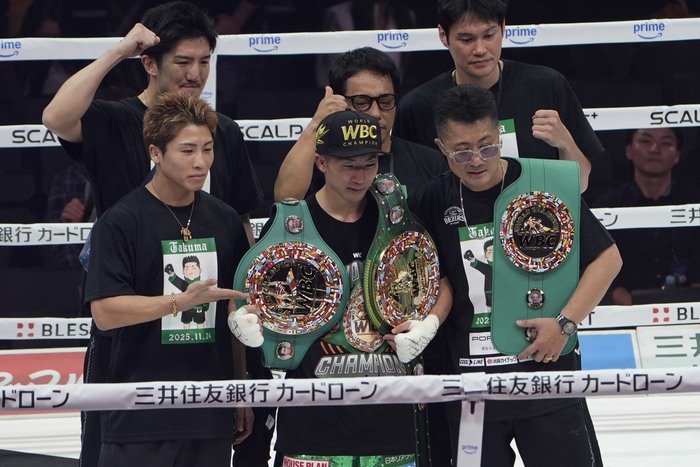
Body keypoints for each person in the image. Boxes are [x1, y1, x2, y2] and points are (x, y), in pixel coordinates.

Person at [40, 2, 270, 465]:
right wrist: (119, 50)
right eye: (183, 61)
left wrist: (242, 363)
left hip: (207, 339)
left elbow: (241, 226)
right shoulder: (115, 120)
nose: (195, 73)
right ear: (150, 64)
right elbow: (56, 117)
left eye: (204, 61)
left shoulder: (221, 131)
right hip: (129, 333)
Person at [408, 84, 622, 465]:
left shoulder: (544, 183)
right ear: (441, 147)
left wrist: (565, 324)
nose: (477, 160)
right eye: (462, 152)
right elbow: (430, 280)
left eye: (487, 147)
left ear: (500, 135)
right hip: (471, 390)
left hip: (546, 379)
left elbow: (608, 259)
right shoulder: (430, 200)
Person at [232, 109, 452, 466]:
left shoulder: (398, 217)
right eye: (349, 166)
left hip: (394, 426)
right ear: (321, 162)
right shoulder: (291, 225)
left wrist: (430, 323)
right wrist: (242, 320)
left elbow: (439, 281)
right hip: (312, 429)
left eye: (369, 164)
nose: (360, 176)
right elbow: (247, 294)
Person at [84, 91, 253, 466]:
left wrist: (239, 389)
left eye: (207, 149)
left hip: (208, 410)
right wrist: (180, 301)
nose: (201, 162)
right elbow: (106, 313)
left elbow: (234, 311)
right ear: (155, 153)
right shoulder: (120, 221)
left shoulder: (226, 219)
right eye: (187, 150)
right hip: (137, 413)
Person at [394, 0, 601, 191]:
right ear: (443, 35)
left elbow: (580, 185)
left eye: (489, 35)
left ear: (503, 28)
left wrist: (565, 143)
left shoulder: (546, 85)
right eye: (467, 39)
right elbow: (406, 191)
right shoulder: (418, 106)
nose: (480, 49)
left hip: (536, 217)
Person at [274, 46, 448, 202]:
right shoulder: (323, 162)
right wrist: (317, 125)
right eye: (362, 102)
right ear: (340, 102)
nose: (376, 113)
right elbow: (286, 201)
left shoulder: (431, 162)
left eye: (386, 102)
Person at [594, 128, 700, 305]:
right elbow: (594, 265)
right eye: (645, 141)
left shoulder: (695, 202)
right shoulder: (607, 206)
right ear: (629, 150)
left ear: (677, 155)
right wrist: (620, 296)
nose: (655, 149)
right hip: (624, 307)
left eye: (666, 143)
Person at [45, 162, 94, 270]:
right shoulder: (66, 178)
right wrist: (72, 230)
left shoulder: (126, 174)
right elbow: (62, 254)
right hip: (81, 271)